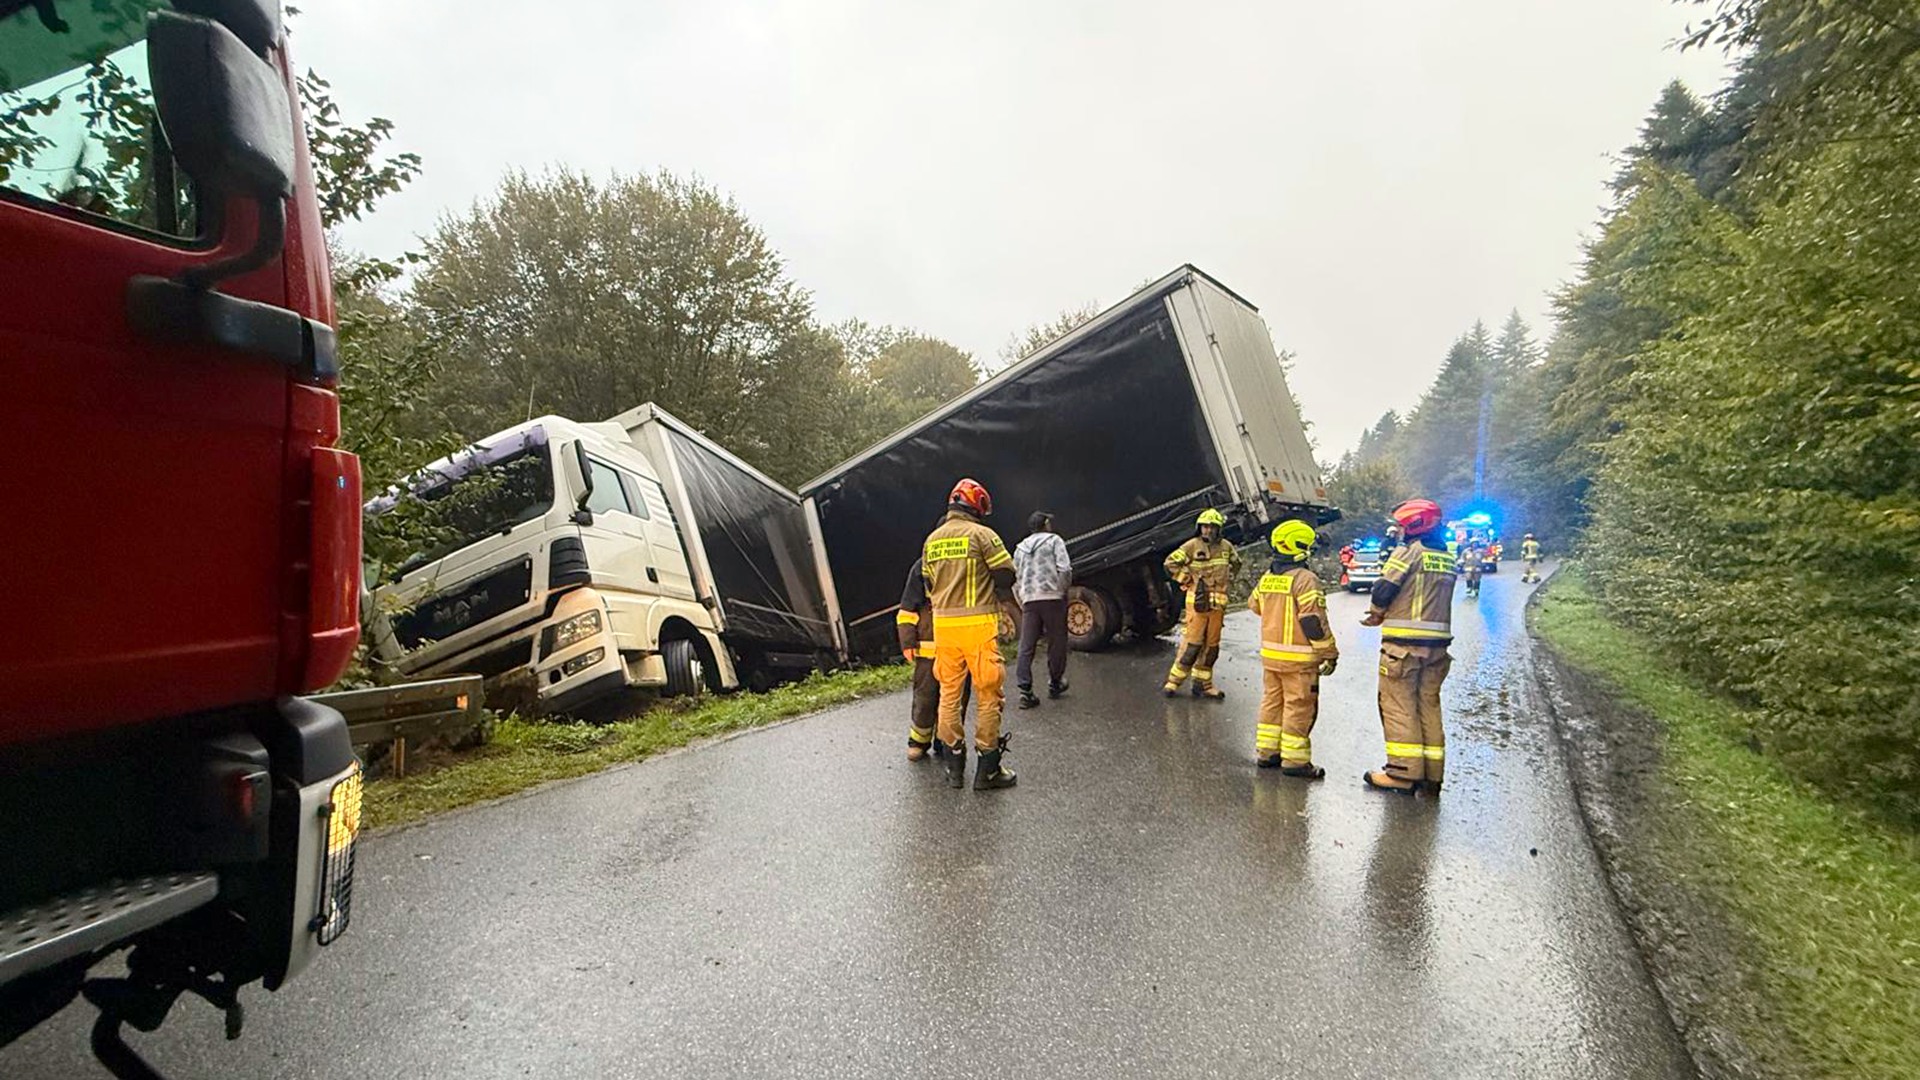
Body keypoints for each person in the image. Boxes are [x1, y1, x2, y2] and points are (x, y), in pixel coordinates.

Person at [922, 478, 1020, 790]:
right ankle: (988, 769)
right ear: (976, 506)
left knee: (949, 695)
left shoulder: (931, 541)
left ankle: (954, 767)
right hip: (977, 625)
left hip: (944, 628)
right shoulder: (982, 534)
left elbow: (927, 585)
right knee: (988, 695)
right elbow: (1006, 574)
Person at [1361, 498, 1458, 795]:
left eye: (1404, 525)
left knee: (1399, 705)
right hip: (1438, 647)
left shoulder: (1408, 552)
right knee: (1428, 706)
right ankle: (1431, 775)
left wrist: (1377, 612)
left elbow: (1384, 588)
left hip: (1403, 647)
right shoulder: (1446, 556)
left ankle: (1402, 774)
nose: (1400, 531)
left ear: (1415, 525)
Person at [1249, 521, 1339, 777]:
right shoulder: (1305, 579)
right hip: (1299, 661)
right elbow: (1313, 622)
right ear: (1299, 546)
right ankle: (1295, 762)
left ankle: (1267, 754)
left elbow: (1254, 606)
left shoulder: (1268, 577)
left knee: (1272, 703)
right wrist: (1329, 653)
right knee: (1298, 707)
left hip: (1271, 658)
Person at [1162, 508, 1242, 699]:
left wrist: (1227, 580)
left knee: (1211, 648)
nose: (1208, 531)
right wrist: (1186, 580)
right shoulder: (1191, 546)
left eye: (1212, 527)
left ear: (1218, 529)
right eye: (1205, 527)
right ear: (1200, 528)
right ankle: (1173, 683)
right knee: (1193, 645)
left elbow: (1236, 564)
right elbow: (1170, 563)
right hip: (1197, 606)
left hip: (1217, 608)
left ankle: (1203, 685)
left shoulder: (1226, 547)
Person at [896, 556, 969, 761]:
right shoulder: (921, 567)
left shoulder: (965, 562)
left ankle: (945, 741)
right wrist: (908, 641)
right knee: (925, 698)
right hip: (929, 652)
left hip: (960, 650)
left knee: (957, 700)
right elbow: (907, 610)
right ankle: (918, 741)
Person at [1012, 511, 1072, 709]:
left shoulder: (1020, 549)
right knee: (1056, 642)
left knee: (1026, 645)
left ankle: (1025, 691)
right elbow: (1065, 569)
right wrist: (1061, 590)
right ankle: (1055, 683)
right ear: (1046, 524)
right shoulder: (1054, 541)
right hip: (1052, 598)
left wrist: (1023, 601)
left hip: (1029, 600)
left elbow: (1015, 579)